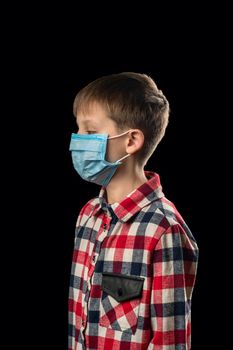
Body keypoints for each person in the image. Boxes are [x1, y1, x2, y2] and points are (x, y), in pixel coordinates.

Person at [68, 72, 198, 350]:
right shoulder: (88, 215)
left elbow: (170, 342)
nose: (77, 141)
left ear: (131, 141)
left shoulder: (164, 229)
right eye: (77, 129)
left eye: (90, 132)